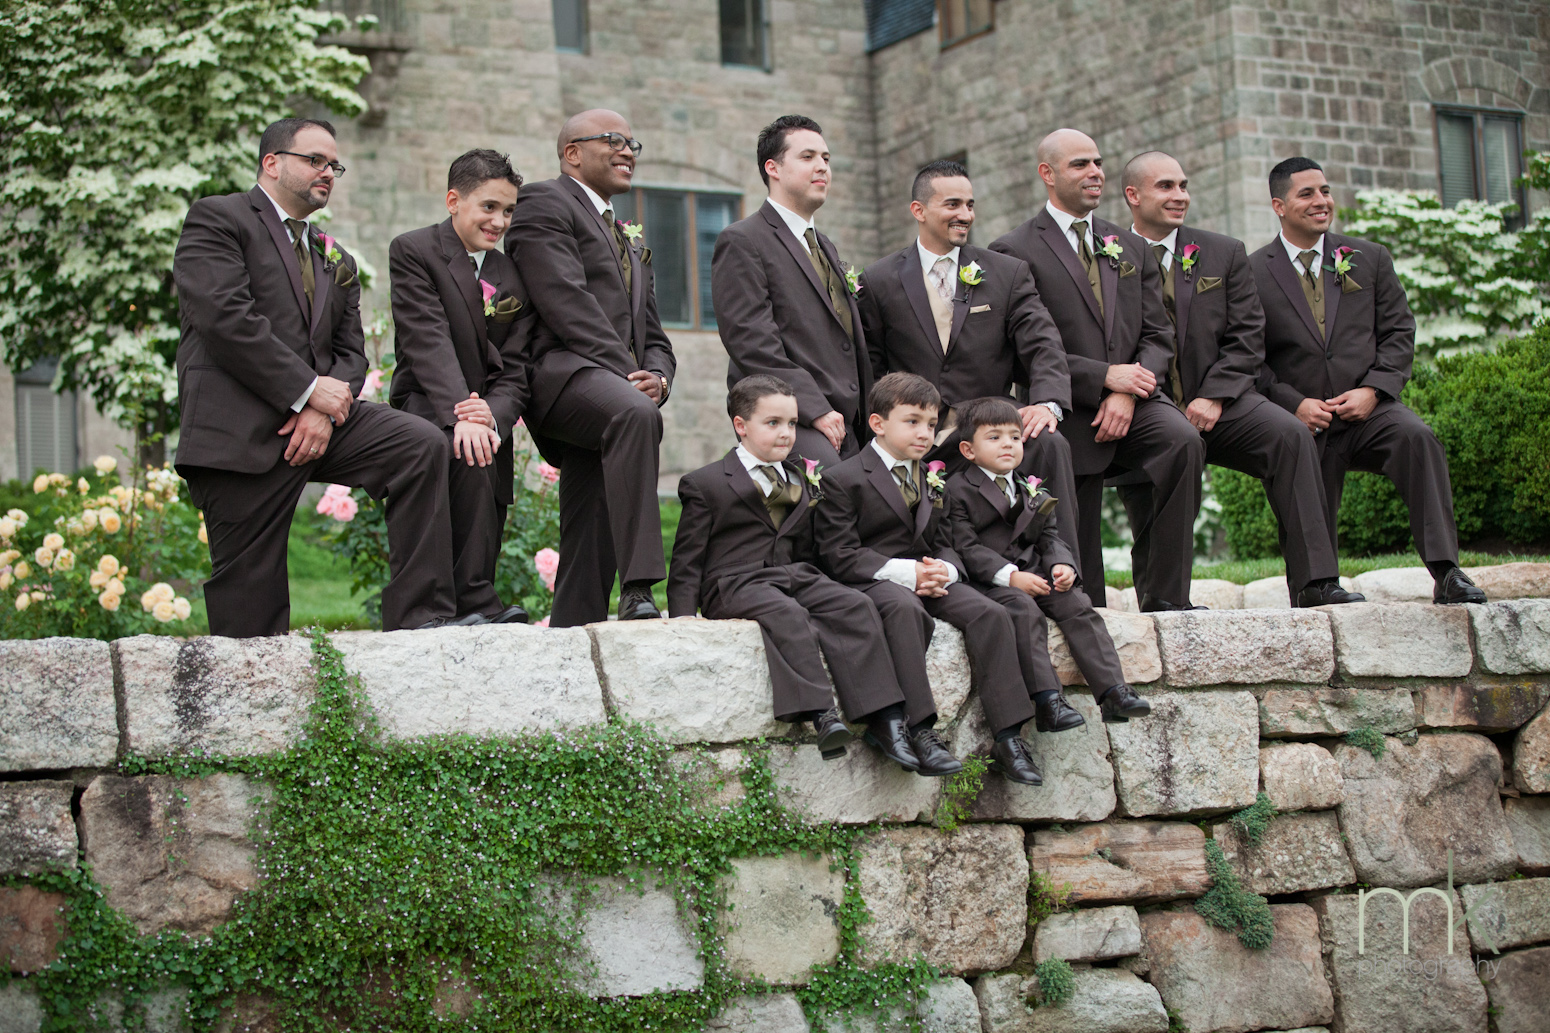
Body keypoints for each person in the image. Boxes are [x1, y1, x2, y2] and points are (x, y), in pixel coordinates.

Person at [174, 117, 459, 637]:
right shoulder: (218, 220)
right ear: (272, 163)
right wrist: (305, 393)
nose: (328, 171)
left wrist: (325, 408)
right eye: (315, 160)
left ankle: (423, 620)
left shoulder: (335, 257)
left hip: (322, 424)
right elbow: (225, 319)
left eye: (334, 165)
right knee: (249, 617)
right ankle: (247, 708)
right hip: (237, 430)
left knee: (418, 443)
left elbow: (350, 355)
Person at [1117, 151, 1363, 607]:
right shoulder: (1110, 256)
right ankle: (1165, 600)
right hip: (1148, 406)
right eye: (1166, 187)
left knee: (1289, 435)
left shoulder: (1222, 252)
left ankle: (1316, 583)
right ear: (1133, 196)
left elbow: (1248, 335)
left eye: (1184, 186)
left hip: (1223, 402)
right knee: (1160, 472)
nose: (1180, 196)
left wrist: (1214, 395)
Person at [1250, 157, 1485, 605]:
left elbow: (1399, 331)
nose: (1322, 201)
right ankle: (1314, 585)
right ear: (1279, 205)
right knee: (1297, 465)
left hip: (1370, 410)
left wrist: (1374, 390)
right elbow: (1248, 353)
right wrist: (1292, 404)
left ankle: (1447, 572)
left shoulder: (1369, 258)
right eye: (1307, 194)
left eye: (1325, 191)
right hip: (1302, 418)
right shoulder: (1252, 270)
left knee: (1418, 438)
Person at [991, 129, 1204, 612]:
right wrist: (1103, 378)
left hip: (1134, 401)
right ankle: (1088, 610)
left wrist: (1127, 392)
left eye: (1098, 163)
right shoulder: (1013, 250)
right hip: (1064, 405)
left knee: (1183, 442)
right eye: (1080, 165)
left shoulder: (1127, 246)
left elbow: (1158, 334)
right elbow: (1024, 350)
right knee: (1076, 525)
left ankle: (1168, 595)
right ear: (1047, 174)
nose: (1095, 174)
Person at [814, 372, 1049, 786]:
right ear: (878, 423)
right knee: (905, 609)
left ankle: (1009, 737)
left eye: (932, 423)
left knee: (990, 613)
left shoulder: (933, 478)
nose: (925, 433)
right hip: (872, 581)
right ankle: (920, 729)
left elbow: (946, 541)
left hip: (930, 578)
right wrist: (910, 573)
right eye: (912, 421)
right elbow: (838, 554)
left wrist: (947, 569)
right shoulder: (842, 478)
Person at [668, 375, 917, 763]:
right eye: (773, 423)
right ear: (741, 426)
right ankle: (821, 713)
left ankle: (882, 716)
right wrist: (683, 616)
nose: (786, 433)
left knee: (852, 604)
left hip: (792, 574)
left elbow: (806, 544)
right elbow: (687, 559)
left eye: (792, 424)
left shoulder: (803, 477)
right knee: (787, 613)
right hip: (735, 582)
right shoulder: (707, 483)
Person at [857, 159, 1082, 558]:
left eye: (970, 205)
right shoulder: (879, 280)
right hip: (920, 425)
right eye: (953, 205)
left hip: (990, 418)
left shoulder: (1007, 272)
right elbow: (873, 365)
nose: (965, 215)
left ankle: (1065, 574)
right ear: (919, 210)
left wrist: (1047, 403)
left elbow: (1043, 341)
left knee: (1050, 443)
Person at [505, 109, 677, 626]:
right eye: (613, 140)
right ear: (572, 153)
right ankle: (641, 587)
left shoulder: (628, 235)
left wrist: (659, 376)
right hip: (561, 374)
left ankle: (574, 622)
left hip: (612, 381)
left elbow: (654, 331)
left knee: (593, 503)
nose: (628, 150)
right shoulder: (543, 201)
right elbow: (565, 302)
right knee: (634, 416)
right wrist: (631, 376)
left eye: (632, 143)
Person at [389, 150, 537, 626]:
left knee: (484, 466)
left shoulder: (511, 274)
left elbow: (515, 367)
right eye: (489, 207)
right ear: (454, 200)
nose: (499, 221)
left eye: (508, 211)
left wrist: (489, 415)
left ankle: (477, 599)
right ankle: (439, 607)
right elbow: (427, 340)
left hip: (486, 412)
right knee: (457, 455)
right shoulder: (414, 251)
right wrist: (462, 415)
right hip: (428, 399)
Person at [946, 396, 1152, 725]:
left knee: (1076, 604)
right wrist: (1010, 576)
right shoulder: (958, 489)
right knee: (1023, 609)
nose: (1008, 445)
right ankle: (1048, 700)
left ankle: (1113, 691)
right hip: (991, 583)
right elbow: (966, 546)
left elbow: (1050, 535)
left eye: (1015, 437)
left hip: (1038, 574)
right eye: (994, 437)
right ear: (969, 450)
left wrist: (1061, 564)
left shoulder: (1032, 487)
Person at [712, 115, 870, 467]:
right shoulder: (743, 240)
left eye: (826, 159)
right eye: (808, 157)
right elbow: (751, 342)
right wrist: (814, 410)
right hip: (792, 417)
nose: (822, 168)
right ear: (773, 168)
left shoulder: (824, 246)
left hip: (850, 421)